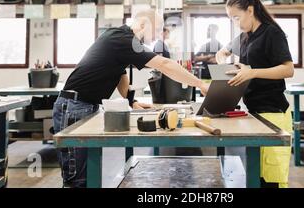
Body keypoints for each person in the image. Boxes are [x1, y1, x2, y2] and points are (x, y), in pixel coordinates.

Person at [53, 9, 209, 188]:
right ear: (143, 24)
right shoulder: (123, 40)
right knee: (77, 180)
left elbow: (120, 74)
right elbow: (164, 64)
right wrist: (200, 84)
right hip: (74, 106)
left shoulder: (120, 39)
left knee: (86, 175)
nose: (159, 35)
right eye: (157, 30)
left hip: (82, 105)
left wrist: (130, 101)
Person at [216, 0, 294, 188]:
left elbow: (288, 69)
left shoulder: (271, 33)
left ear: (250, 10)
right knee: (257, 175)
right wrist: (223, 63)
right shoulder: (244, 37)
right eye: (230, 19)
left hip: (274, 112)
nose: (235, 23)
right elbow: (222, 52)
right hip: (255, 112)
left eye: (236, 17)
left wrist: (252, 73)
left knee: (271, 178)